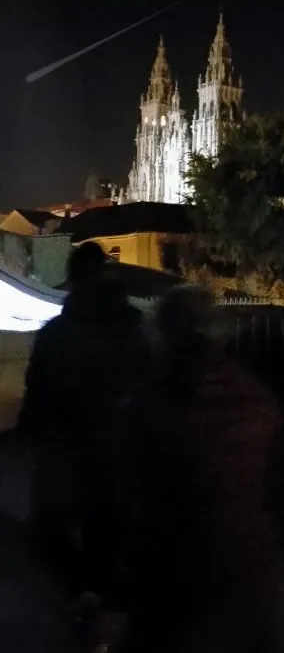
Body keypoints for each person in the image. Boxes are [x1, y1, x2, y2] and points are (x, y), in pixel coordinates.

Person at [115, 285, 284, 652]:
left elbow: (128, 504)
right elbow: (283, 491)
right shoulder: (257, 401)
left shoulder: (147, 411)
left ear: (161, 337)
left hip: (176, 587)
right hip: (250, 580)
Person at [18, 242, 150, 605]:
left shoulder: (57, 334)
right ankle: (109, 609)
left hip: (69, 454)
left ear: (74, 281)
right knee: (109, 537)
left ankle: (83, 603)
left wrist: (32, 436)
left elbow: (39, 390)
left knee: (54, 534)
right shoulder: (136, 329)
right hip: (120, 454)